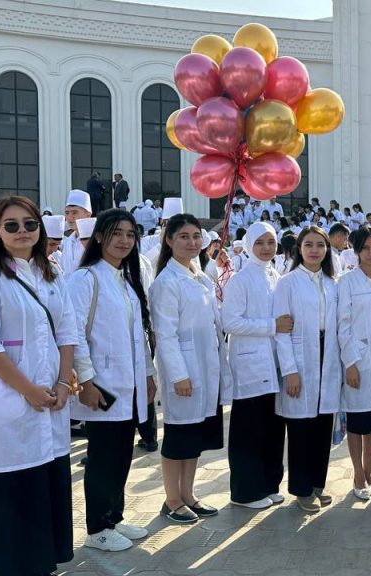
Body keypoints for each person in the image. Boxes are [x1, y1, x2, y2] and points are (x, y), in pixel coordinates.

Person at [0, 195, 77, 576]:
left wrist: (63, 383)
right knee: (15, 497)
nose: (22, 231)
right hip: (10, 404)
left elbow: (68, 333)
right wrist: (28, 389)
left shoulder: (52, 275)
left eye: (30, 224)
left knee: (45, 491)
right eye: (11, 225)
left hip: (51, 402)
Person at [69, 209, 155, 551]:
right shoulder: (85, 279)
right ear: (99, 236)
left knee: (121, 454)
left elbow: (139, 335)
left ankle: (114, 517)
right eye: (117, 233)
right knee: (103, 457)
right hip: (102, 384)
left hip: (129, 383)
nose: (124, 240)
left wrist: (148, 374)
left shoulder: (126, 280)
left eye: (130, 235)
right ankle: (97, 528)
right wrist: (86, 381)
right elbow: (74, 334)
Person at [151, 213, 231, 524]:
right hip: (184, 372)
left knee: (194, 437)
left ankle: (188, 494)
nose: (192, 242)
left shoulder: (198, 276)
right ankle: (172, 499)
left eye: (196, 236)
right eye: (183, 236)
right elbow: (165, 334)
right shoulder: (166, 283)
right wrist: (179, 375)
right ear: (169, 240)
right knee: (178, 437)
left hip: (205, 368)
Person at [221, 222, 291, 510]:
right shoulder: (241, 280)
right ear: (249, 245)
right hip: (250, 365)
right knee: (249, 429)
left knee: (272, 428)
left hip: (273, 363)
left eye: (270, 242)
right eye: (260, 243)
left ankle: (269, 484)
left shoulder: (275, 275)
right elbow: (230, 322)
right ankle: (245, 492)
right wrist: (271, 326)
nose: (266, 248)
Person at [274, 226, 342, 513]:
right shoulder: (287, 283)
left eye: (320, 245)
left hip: (328, 355)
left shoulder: (332, 283)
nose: (315, 250)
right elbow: (281, 331)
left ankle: (317, 484)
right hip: (302, 357)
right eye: (309, 245)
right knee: (301, 427)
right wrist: (290, 370)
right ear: (299, 249)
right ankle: (301, 489)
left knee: (323, 425)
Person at [338, 226, 371, 501]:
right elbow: (343, 325)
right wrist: (350, 363)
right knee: (358, 421)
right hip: (358, 360)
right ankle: (358, 475)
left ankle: (370, 472)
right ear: (356, 251)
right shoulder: (347, 282)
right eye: (365, 248)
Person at [60, 189, 93, 277]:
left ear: (88, 215)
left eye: (75, 212)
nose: (70, 217)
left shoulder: (97, 240)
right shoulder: (68, 242)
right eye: (67, 213)